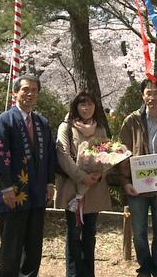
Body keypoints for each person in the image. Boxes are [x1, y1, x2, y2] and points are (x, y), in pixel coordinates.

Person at [0, 75, 56, 277]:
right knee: (12, 245)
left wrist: (50, 183)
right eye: (25, 89)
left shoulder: (42, 123)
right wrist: (5, 187)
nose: (30, 94)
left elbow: (50, 155)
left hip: (37, 192)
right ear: (15, 92)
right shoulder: (3, 121)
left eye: (34, 90)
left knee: (34, 245)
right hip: (13, 193)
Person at [118, 77, 157, 277]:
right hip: (136, 186)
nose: (152, 96)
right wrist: (125, 183)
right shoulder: (131, 121)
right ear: (143, 96)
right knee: (139, 234)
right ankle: (144, 268)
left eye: (156, 92)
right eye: (148, 92)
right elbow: (123, 154)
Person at [56, 92, 112, 277]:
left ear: (95, 107)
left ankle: (88, 273)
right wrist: (82, 177)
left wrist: (100, 173)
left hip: (94, 188)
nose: (86, 109)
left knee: (89, 234)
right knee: (73, 234)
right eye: (82, 105)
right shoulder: (66, 127)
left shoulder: (100, 129)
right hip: (74, 189)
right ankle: (73, 273)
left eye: (90, 105)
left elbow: (108, 153)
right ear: (75, 107)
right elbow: (63, 156)